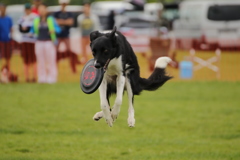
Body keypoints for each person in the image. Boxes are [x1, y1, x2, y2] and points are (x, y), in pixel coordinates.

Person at [31, 4, 61, 83]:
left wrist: (54, 30)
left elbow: (58, 29)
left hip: (49, 41)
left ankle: (52, 77)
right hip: (39, 41)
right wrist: (30, 32)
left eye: (43, 9)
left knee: (51, 60)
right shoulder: (36, 20)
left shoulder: (51, 19)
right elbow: (32, 29)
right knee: (40, 61)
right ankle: (42, 77)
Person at [54, 0, 79, 73]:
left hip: (66, 35)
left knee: (69, 52)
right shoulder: (57, 13)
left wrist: (61, 21)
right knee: (55, 52)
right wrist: (65, 22)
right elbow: (55, 22)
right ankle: (55, 67)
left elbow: (70, 22)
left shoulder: (69, 13)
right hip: (58, 35)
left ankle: (71, 67)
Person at [19, 3, 38, 82]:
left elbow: (33, 28)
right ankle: (27, 77)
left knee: (33, 59)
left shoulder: (34, 17)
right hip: (25, 40)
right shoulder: (22, 18)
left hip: (33, 40)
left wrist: (26, 29)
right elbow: (20, 29)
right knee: (26, 60)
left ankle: (34, 77)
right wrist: (26, 29)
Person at [0, 3, 13, 70]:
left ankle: (8, 71)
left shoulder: (8, 19)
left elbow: (11, 29)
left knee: (8, 57)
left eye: (3, 8)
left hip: (7, 40)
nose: (2, 10)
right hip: (1, 41)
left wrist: (12, 37)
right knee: (2, 57)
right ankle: (3, 72)